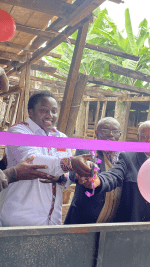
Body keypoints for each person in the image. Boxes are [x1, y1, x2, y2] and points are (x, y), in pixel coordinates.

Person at [0, 90, 91, 227]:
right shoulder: (18, 132)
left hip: (52, 220)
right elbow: (34, 161)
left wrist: (61, 177)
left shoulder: (62, 138)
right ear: (30, 111)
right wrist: (71, 163)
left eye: (54, 111)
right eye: (44, 110)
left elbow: (66, 179)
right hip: (20, 219)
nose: (50, 115)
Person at [74, 120, 150, 223]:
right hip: (135, 224)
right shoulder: (128, 157)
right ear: (138, 137)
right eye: (144, 137)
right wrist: (99, 180)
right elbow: (114, 175)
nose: (149, 140)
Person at [64, 117, 122, 224]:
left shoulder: (124, 156)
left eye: (115, 131)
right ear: (96, 133)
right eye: (105, 131)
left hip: (114, 220)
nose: (110, 134)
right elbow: (74, 173)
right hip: (86, 218)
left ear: (120, 135)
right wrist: (81, 173)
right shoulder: (86, 150)